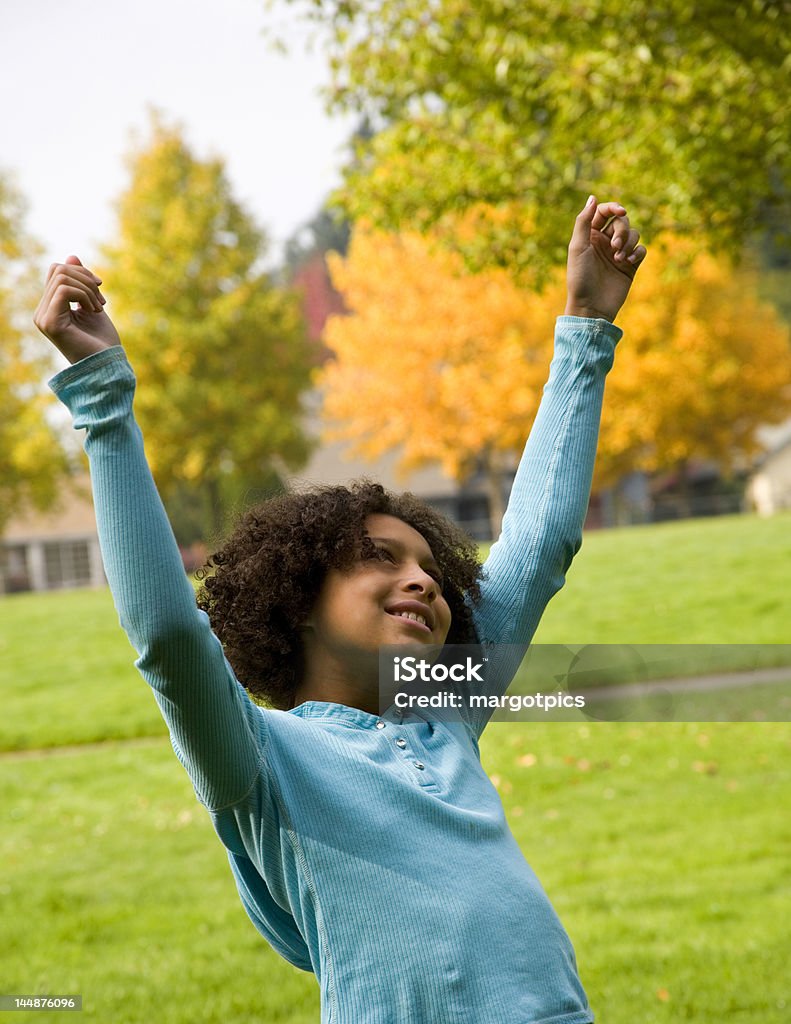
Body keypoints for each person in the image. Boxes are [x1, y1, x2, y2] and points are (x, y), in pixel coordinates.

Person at [34, 196, 646, 1024]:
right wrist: (104, 396)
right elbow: (171, 637)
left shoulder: (446, 713)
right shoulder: (261, 765)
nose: (424, 582)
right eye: (379, 560)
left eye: (429, 567)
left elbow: (537, 547)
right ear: (300, 605)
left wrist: (582, 329)